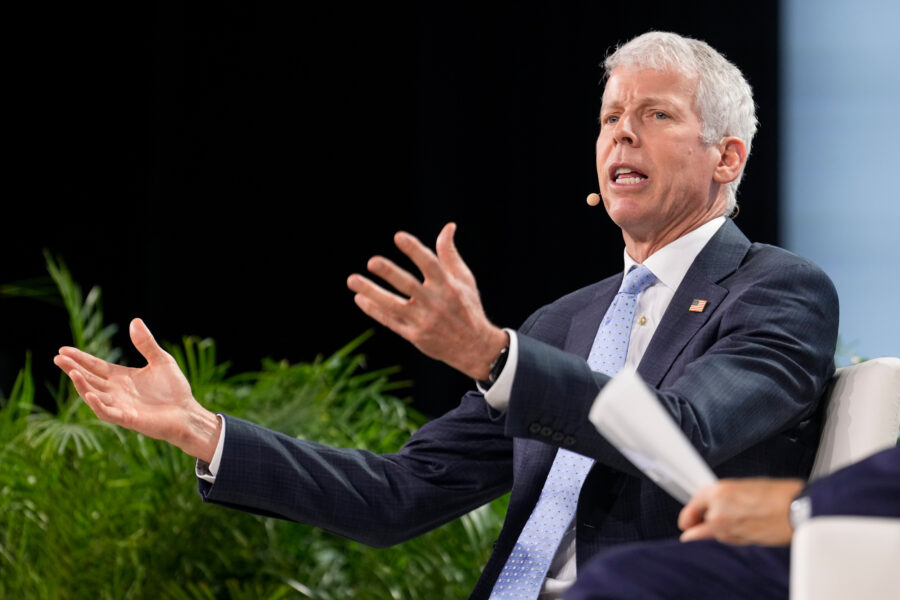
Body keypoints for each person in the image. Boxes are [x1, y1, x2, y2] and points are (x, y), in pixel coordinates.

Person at [53, 32, 839, 599]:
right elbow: (401, 494)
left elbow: (682, 431)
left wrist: (499, 359)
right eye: (609, 117)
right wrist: (204, 430)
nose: (621, 132)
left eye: (656, 115)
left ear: (726, 158)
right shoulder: (564, 323)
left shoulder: (777, 291)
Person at [564, 445, 900, 599]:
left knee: (624, 583)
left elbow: (698, 421)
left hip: (862, 530)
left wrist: (801, 508)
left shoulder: (775, 302)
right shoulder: (561, 316)